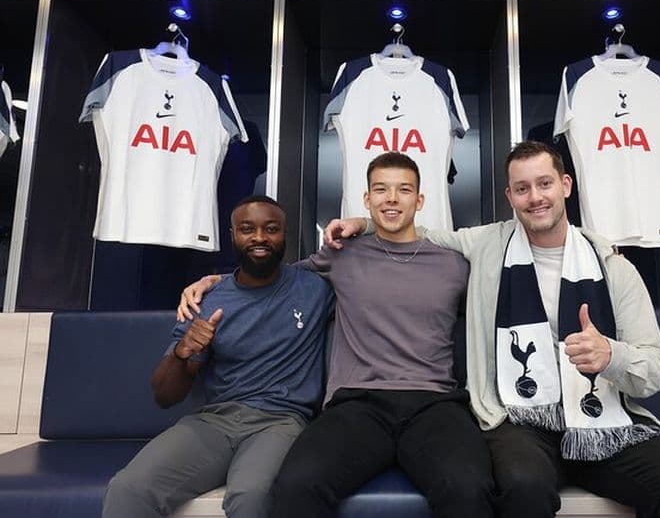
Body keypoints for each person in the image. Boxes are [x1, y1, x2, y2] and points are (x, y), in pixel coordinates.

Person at [325, 141, 660, 517]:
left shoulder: (612, 265)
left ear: (565, 185)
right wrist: (363, 221)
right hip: (518, 421)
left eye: (544, 184)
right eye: (522, 188)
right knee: (522, 485)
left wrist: (611, 356)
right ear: (510, 197)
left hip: (603, 423)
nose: (535, 197)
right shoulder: (486, 245)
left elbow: (654, 366)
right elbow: (414, 230)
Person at [178, 152, 494, 517]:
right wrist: (215, 283)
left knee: (469, 488)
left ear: (419, 200)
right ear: (367, 199)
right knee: (297, 486)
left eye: (403, 190)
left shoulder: (453, 263)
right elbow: (269, 280)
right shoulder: (341, 255)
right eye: (381, 189)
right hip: (358, 403)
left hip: (434, 402)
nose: (391, 198)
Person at [102, 195, 334, 518]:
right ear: (232, 235)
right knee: (128, 488)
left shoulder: (315, 289)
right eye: (247, 229)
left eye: (271, 229)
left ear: (285, 234)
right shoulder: (206, 300)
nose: (259, 238)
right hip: (213, 421)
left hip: (281, 421)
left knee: (251, 495)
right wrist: (183, 353)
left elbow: (373, 265)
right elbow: (165, 395)